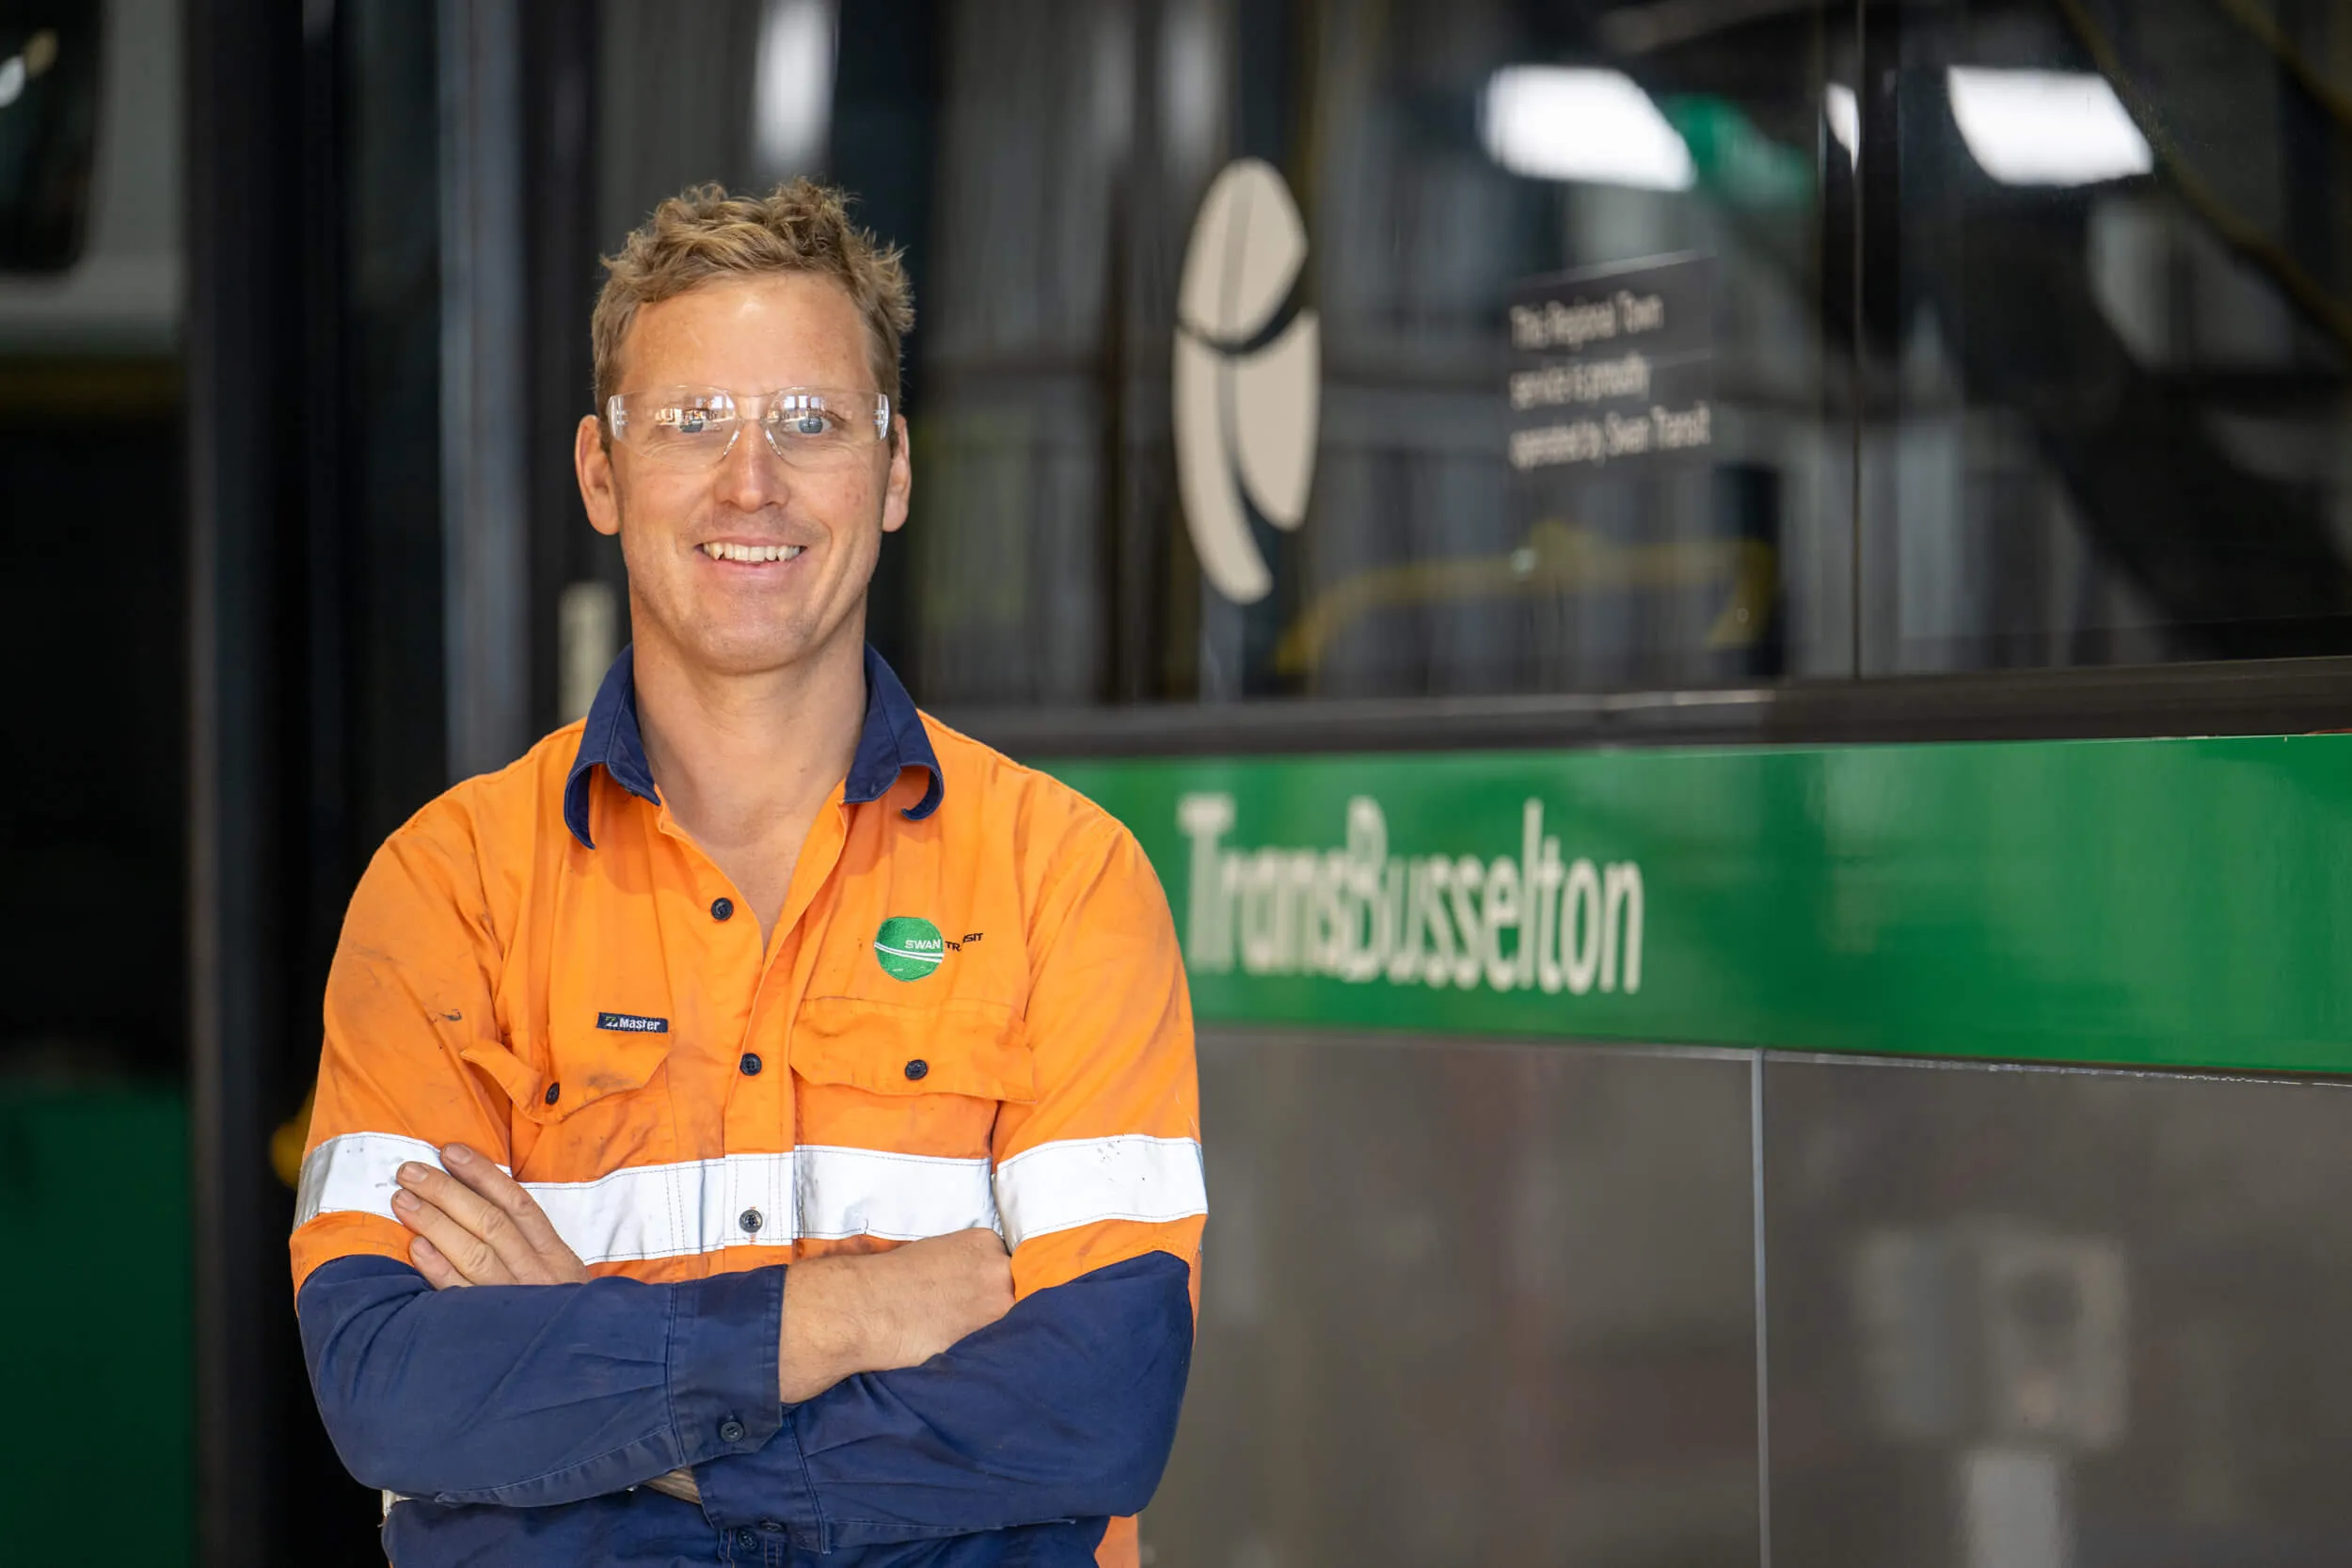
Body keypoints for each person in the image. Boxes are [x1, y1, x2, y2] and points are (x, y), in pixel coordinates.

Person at [290, 181, 1207, 1567]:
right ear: (602, 474)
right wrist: (842, 1317)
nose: (751, 482)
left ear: (894, 472)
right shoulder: (449, 889)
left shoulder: (1066, 881)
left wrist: (609, 1411)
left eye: (812, 423)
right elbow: (392, 1389)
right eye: (691, 424)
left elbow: (1096, 1411)